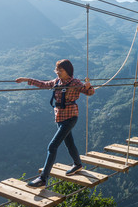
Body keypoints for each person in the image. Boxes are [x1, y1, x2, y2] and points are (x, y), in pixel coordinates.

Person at [16, 59, 95, 188]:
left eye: (60, 70)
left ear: (67, 71)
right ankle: (78, 164)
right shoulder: (57, 82)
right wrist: (26, 80)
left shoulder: (75, 82)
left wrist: (88, 87)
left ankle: (43, 178)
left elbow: (89, 92)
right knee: (69, 143)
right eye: (56, 69)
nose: (57, 72)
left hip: (70, 117)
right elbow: (43, 84)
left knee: (52, 146)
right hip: (60, 117)